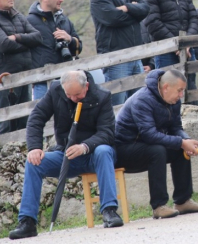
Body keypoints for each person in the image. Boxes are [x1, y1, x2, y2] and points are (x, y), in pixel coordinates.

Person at [9, 71, 123, 240]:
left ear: (87, 86)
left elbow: (107, 133)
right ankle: (27, 222)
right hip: (66, 154)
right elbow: (36, 118)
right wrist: (34, 147)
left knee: (104, 150)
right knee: (34, 162)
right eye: (68, 94)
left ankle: (109, 211)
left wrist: (84, 146)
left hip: (94, 154)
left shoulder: (102, 96)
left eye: (77, 94)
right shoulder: (56, 90)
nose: (72, 98)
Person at [115, 69, 198, 219]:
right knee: (157, 150)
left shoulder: (173, 101)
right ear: (165, 87)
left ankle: (183, 201)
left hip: (146, 145)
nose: (181, 95)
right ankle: (159, 206)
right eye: (179, 90)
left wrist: (186, 141)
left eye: (182, 91)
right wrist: (181, 142)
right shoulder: (142, 99)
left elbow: (176, 128)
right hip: (124, 150)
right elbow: (149, 135)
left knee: (179, 150)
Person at [90, 0, 150, 105]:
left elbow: (145, 9)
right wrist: (135, 14)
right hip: (115, 58)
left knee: (139, 102)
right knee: (118, 103)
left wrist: (127, 8)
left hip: (136, 56)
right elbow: (113, 18)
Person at [142, 0, 198, 100]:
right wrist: (175, 44)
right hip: (165, 51)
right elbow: (153, 23)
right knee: (167, 93)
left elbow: (194, 17)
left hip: (187, 50)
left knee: (190, 88)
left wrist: (187, 43)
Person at [27, 0, 83, 99]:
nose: (61, 0)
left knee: (66, 116)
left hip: (66, 80)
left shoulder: (65, 20)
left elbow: (79, 48)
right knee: (42, 115)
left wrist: (70, 39)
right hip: (41, 80)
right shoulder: (29, 21)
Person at [0, 0, 42, 134]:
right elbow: (4, 45)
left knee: (25, 115)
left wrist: (17, 37)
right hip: (5, 77)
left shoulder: (18, 16)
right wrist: (27, 43)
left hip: (25, 73)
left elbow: (38, 37)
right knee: (5, 119)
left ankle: (23, 150)